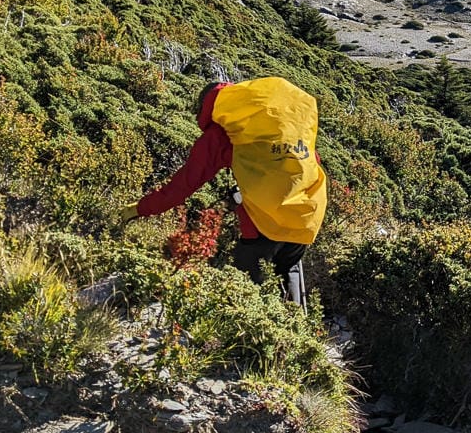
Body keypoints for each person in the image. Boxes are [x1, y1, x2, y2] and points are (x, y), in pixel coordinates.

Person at [121, 78, 328, 305]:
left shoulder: (223, 132)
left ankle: (246, 337)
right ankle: (298, 335)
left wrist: (138, 210)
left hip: (264, 224)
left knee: (246, 295)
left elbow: (183, 185)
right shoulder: (279, 125)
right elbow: (308, 161)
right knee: (287, 277)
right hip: (307, 214)